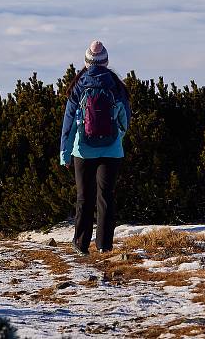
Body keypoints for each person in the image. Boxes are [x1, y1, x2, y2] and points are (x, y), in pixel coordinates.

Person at [60, 41, 131, 255]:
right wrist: (116, 136)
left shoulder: (79, 85)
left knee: (84, 197)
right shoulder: (116, 86)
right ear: (106, 61)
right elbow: (124, 121)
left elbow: (69, 123)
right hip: (111, 151)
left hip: (83, 150)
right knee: (106, 196)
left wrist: (65, 153)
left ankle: (81, 244)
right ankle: (104, 246)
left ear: (86, 61)